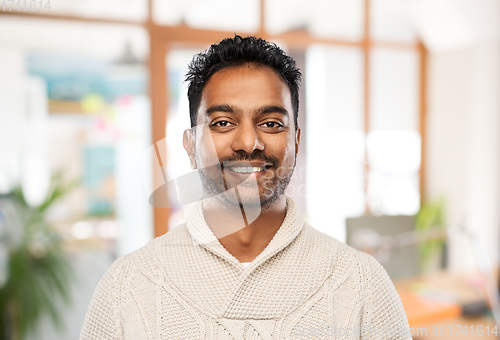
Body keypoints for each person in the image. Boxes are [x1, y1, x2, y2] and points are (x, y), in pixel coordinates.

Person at [80, 35, 412, 340]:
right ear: (189, 145)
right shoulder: (126, 285)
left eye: (271, 124)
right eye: (223, 123)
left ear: (296, 141)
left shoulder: (361, 283)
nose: (249, 143)